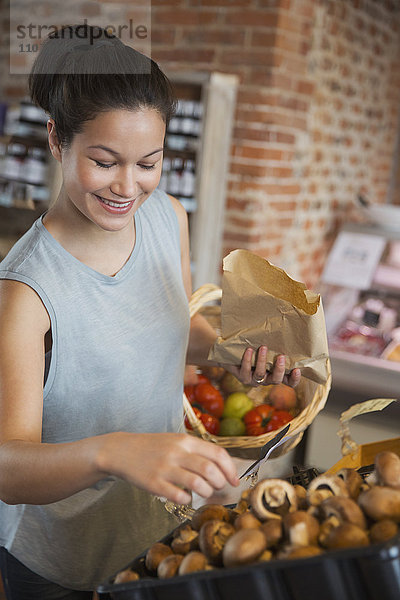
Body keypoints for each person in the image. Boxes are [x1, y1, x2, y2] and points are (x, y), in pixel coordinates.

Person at [0, 25, 301, 598]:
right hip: (61, 562)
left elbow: (173, 325)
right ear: (56, 139)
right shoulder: (25, 289)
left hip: (159, 531)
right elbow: (8, 467)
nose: (128, 186)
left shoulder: (167, 219)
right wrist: (112, 451)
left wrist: (230, 355)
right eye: (105, 161)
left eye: (149, 162)